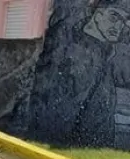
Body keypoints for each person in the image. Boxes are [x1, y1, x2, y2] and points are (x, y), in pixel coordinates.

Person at [27, 0, 130, 147]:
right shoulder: (73, 55)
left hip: (92, 151)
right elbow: (55, 115)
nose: (119, 26)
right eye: (114, 17)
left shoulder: (104, 56)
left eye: (124, 21)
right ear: (98, 15)